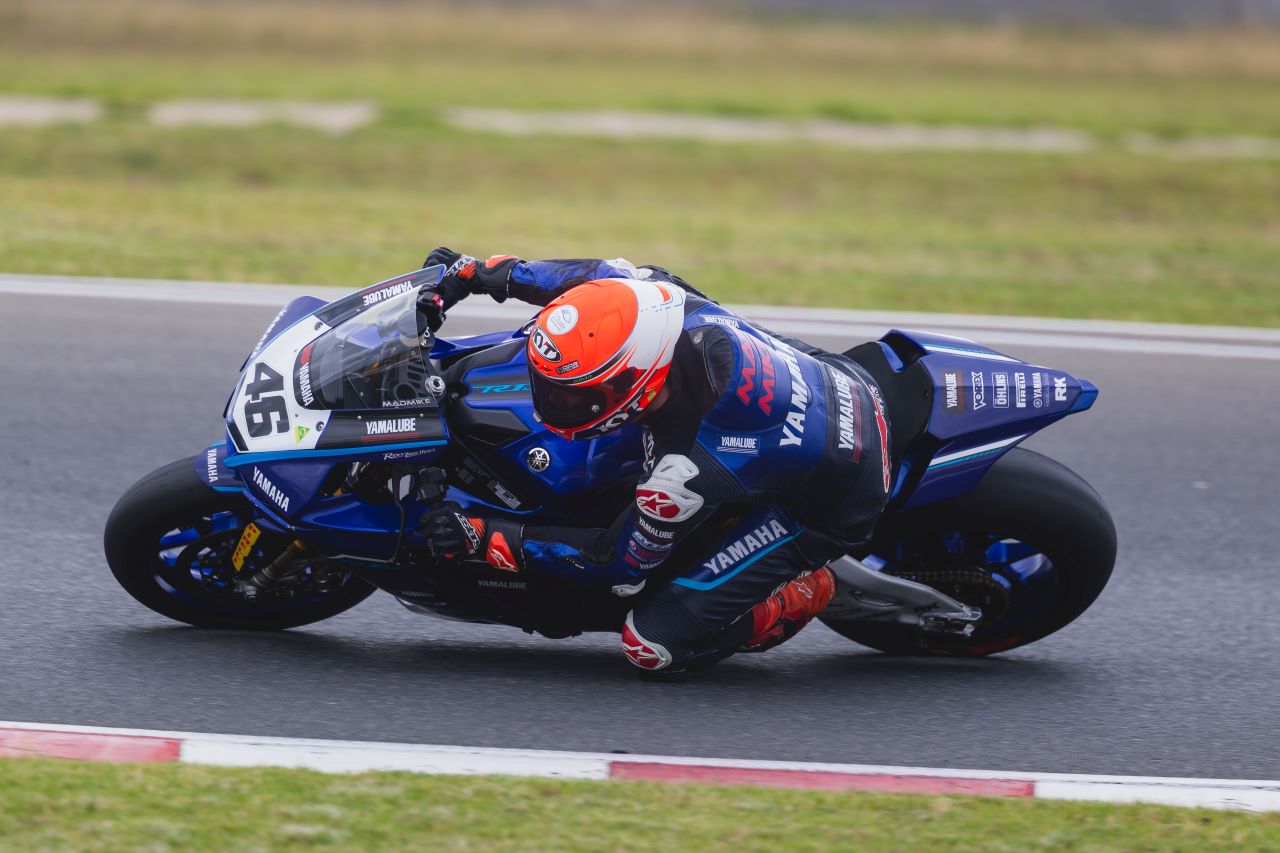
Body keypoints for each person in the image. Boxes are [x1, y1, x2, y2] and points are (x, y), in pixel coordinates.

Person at [420, 248, 892, 677]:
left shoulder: (681, 472)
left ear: (636, 384)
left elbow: (615, 564)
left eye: (573, 396)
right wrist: (473, 273)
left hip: (845, 491)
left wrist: (483, 535)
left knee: (653, 644)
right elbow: (592, 279)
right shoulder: (654, 300)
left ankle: (806, 588)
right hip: (840, 378)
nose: (552, 401)